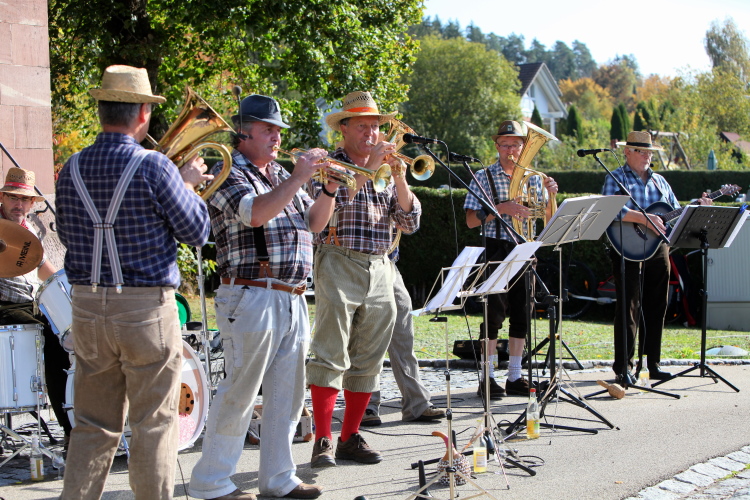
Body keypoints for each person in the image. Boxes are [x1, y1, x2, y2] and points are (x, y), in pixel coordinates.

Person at [56, 65, 211, 500]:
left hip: (87, 305)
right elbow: (197, 231)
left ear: (101, 111)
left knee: (93, 424)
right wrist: (188, 185)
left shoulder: (71, 167)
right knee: (154, 422)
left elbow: (66, 235)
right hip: (145, 308)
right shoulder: (157, 167)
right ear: (143, 113)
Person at [188, 94, 334, 500]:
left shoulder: (279, 173)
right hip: (251, 292)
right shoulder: (227, 171)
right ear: (243, 132)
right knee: (240, 391)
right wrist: (299, 178)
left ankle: (278, 478)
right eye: (268, 129)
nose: (276, 137)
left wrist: (329, 189)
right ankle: (210, 482)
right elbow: (254, 213)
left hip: (291, 295)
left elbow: (315, 224)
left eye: (278, 131)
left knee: (287, 396)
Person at [306, 91, 421, 467]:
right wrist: (370, 166)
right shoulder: (327, 165)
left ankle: (350, 436)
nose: (372, 133)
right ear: (343, 128)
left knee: (369, 358)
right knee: (329, 352)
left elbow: (410, 222)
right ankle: (323, 438)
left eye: (375, 126)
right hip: (338, 261)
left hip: (380, 266)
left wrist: (399, 178)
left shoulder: (386, 168)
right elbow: (326, 213)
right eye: (363, 126)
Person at [602, 131, 712, 385]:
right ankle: (624, 367)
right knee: (628, 307)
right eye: (641, 151)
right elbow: (610, 209)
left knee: (657, 305)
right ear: (627, 152)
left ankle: (653, 363)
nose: (647, 156)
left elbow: (674, 211)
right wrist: (643, 218)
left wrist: (696, 205)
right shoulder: (615, 177)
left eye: (650, 152)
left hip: (658, 248)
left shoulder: (660, 181)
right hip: (626, 247)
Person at [464, 120, 558, 398]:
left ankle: (515, 376)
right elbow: (470, 221)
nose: (510, 150)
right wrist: (501, 208)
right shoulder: (483, 176)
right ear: (497, 146)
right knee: (492, 316)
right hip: (495, 249)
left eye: (515, 145)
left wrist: (552, 195)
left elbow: (549, 220)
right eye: (505, 145)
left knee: (523, 315)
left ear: (523, 147)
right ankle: (488, 377)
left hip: (525, 249)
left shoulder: (535, 178)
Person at [0, 168, 72, 442]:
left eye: (24, 199)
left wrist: (66, 288)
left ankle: (77, 425)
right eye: (13, 197)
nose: (18, 204)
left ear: (32, 203)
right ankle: (70, 431)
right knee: (54, 345)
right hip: (5, 306)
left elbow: (43, 268)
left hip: (31, 303)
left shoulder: (28, 228)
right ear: (2, 198)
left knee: (68, 338)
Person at [361, 242, 445, 427]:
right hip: (360, 262)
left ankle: (417, 405)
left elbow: (410, 228)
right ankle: (366, 405)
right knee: (368, 340)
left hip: (388, 263)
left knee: (404, 339)